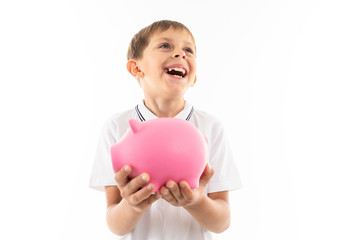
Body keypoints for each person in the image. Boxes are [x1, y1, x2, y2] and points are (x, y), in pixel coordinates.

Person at [89, 20, 242, 240]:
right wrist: (132, 206)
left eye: (188, 50)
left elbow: (222, 223)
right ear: (136, 68)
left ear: (194, 78)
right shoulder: (116, 127)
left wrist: (197, 202)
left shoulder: (211, 128)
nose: (180, 54)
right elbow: (116, 225)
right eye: (165, 46)